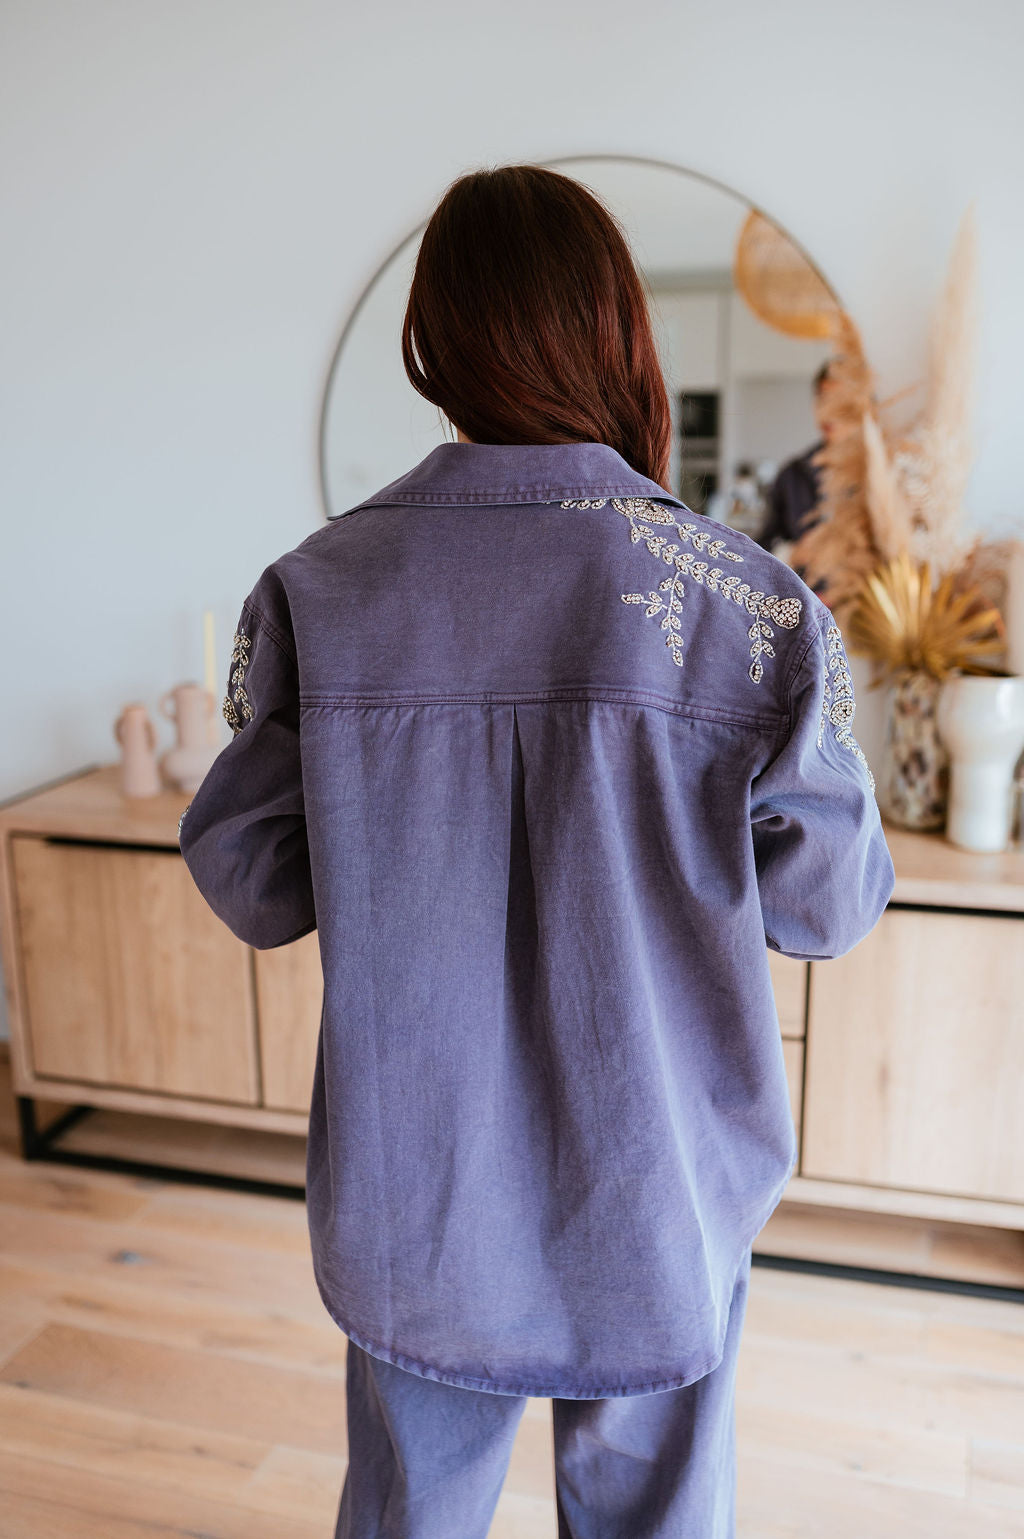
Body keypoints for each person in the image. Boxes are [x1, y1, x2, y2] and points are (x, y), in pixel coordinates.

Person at [178, 165, 895, 1538]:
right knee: (657, 1515)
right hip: (660, 1182)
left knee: (412, 1509)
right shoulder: (748, 608)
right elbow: (828, 905)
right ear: (621, 332)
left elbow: (252, 881)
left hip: (420, 1182)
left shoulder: (319, 591)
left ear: (432, 344)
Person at [754, 360, 839, 567]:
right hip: (806, 587)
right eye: (822, 398)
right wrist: (793, 553)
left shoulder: (880, 476)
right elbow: (760, 551)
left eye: (839, 401)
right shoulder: (792, 475)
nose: (827, 411)